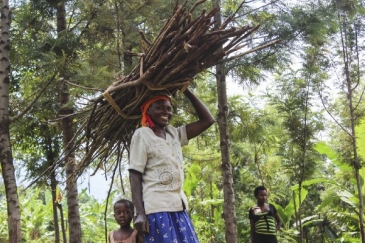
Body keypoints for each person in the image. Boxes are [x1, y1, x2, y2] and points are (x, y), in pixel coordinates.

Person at [128, 88, 215, 243]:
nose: (166, 112)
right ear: (148, 111)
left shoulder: (174, 133)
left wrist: (186, 91)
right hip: (157, 209)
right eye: (160, 107)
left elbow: (208, 120)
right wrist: (139, 213)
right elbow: (135, 174)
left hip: (179, 208)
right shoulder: (142, 135)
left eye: (168, 108)